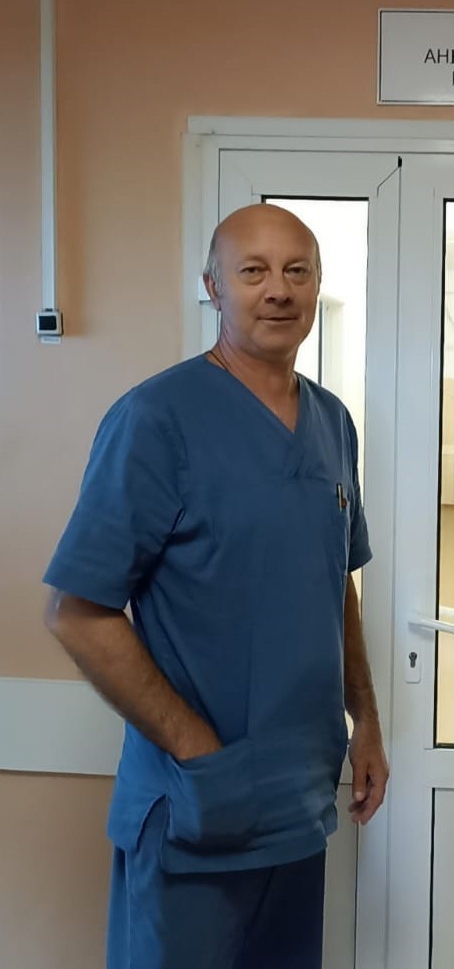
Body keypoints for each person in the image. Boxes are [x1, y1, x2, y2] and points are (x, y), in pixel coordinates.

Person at [42, 203, 388, 969]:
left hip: (297, 806)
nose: (278, 289)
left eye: (297, 271)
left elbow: (335, 579)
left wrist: (365, 718)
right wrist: (197, 751)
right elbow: (77, 611)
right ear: (213, 287)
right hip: (194, 809)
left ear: (317, 285)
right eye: (252, 270)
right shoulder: (156, 418)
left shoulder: (332, 423)